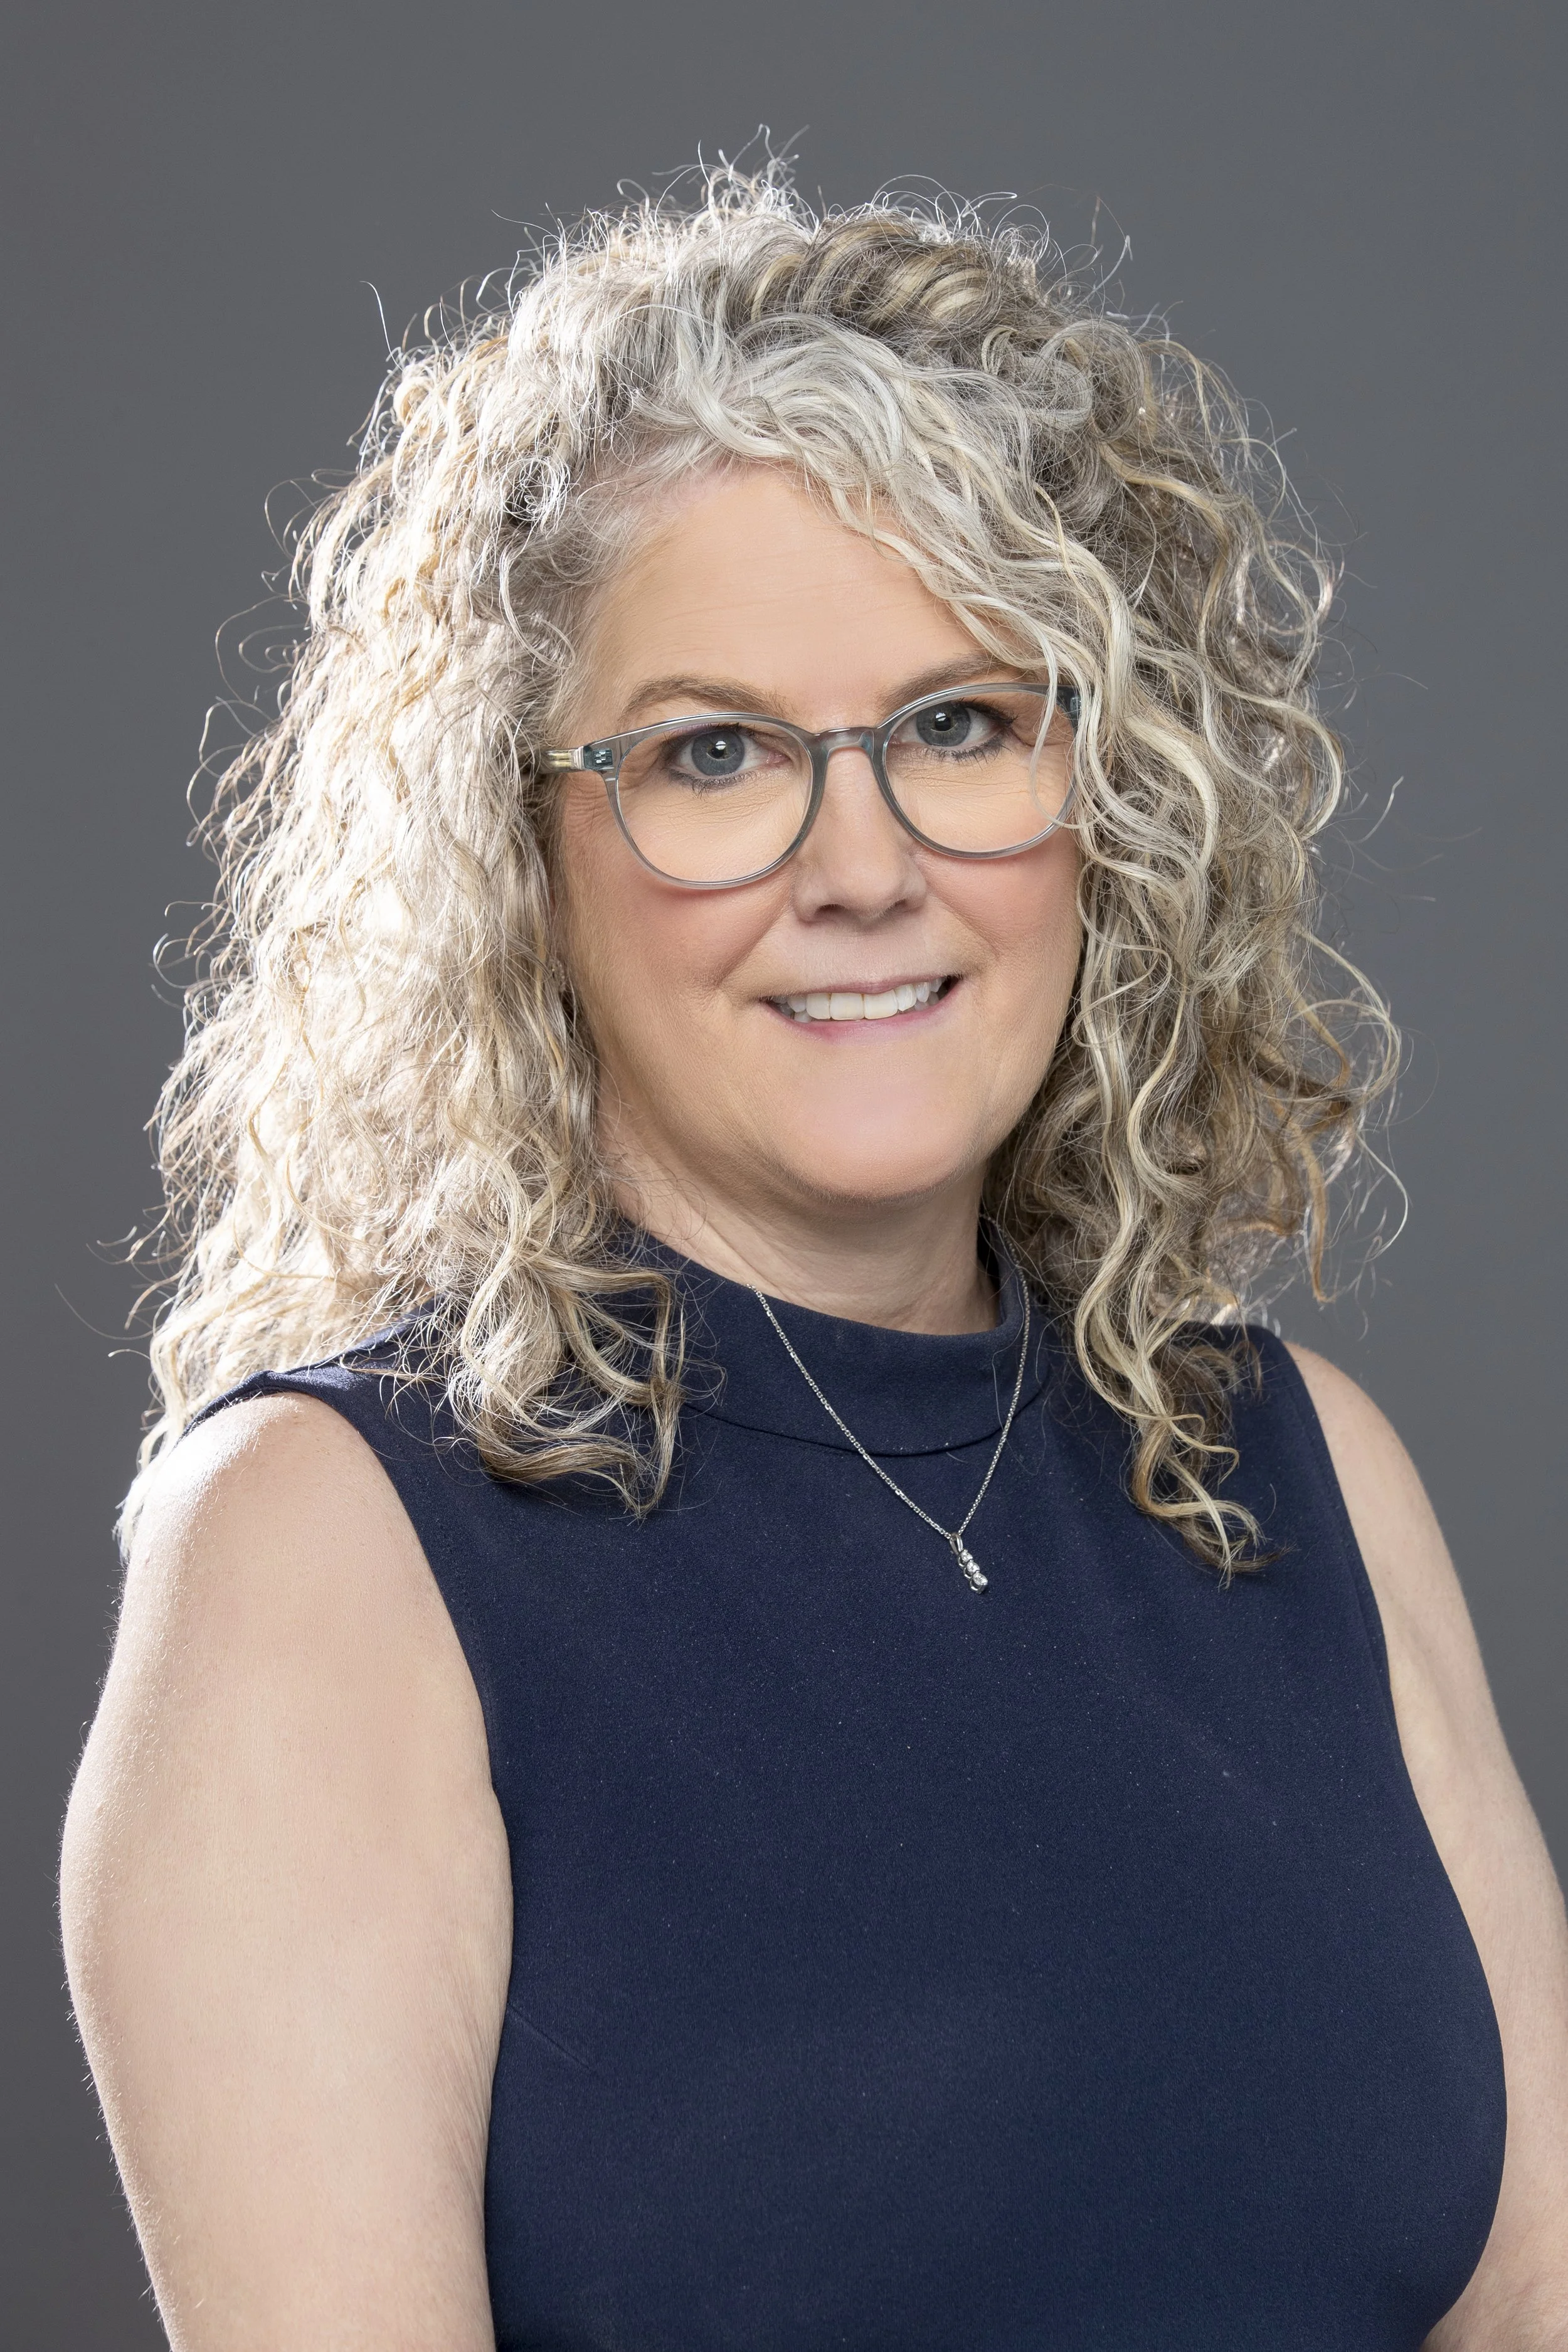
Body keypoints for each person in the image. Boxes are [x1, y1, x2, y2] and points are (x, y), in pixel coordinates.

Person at [60, 172, 1568, 2350]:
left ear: (1111, 791)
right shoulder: (320, 1554)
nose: (860, 866)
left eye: (958, 722)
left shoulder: (1297, 1470)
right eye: (713, 752)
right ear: (519, 846)